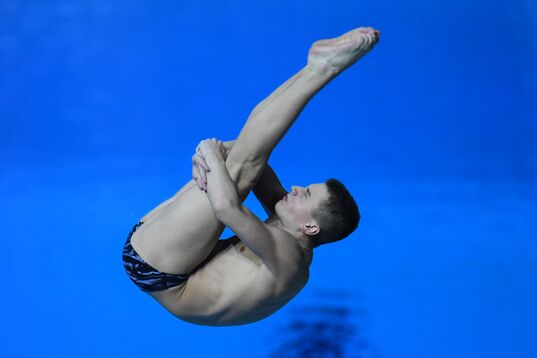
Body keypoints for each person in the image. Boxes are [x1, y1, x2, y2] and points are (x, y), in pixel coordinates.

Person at [122, 26, 381, 326]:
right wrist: (221, 152)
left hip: (158, 269)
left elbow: (226, 207)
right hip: (167, 259)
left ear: (310, 226)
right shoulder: (289, 229)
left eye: (306, 195)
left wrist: (208, 150)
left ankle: (322, 69)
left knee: (240, 171)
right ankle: (317, 67)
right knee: (245, 165)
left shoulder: (289, 258)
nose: (296, 188)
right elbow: (256, 157)